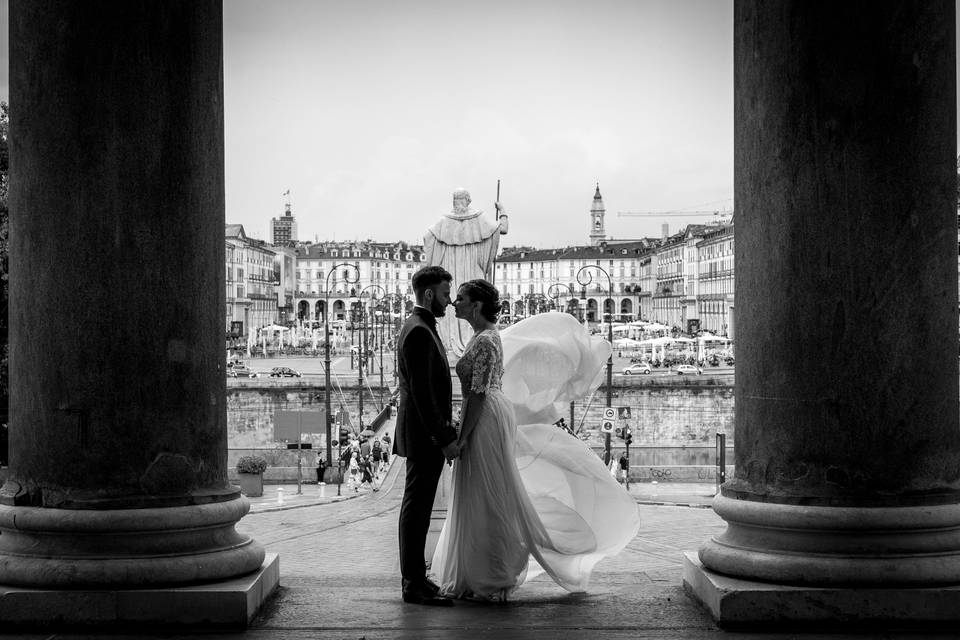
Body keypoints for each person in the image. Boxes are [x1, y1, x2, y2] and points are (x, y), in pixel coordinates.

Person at [430, 279, 640, 602]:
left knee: (484, 492)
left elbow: (476, 394)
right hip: (488, 413)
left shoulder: (485, 341)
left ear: (476, 306)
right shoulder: (484, 337)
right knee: (484, 492)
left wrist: (461, 437)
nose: (455, 303)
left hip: (484, 418)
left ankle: (490, 571)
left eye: (460, 298)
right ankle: (484, 569)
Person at [393, 265, 460, 607]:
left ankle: (417, 578)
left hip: (422, 434)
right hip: (424, 436)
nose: (449, 301)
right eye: (446, 294)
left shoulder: (419, 326)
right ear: (429, 294)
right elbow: (423, 394)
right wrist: (445, 437)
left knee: (417, 506)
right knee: (416, 508)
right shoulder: (419, 330)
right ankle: (413, 583)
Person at [423, 188, 509, 357]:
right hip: (473, 271)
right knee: (473, 302)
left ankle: (451, 343)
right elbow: (503, 228)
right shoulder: (479, 219)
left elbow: (428, 237)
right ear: (468, 201)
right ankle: (471, 341)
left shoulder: (444, 221)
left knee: (453, 303)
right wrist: (502, 210)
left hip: (450, 267)